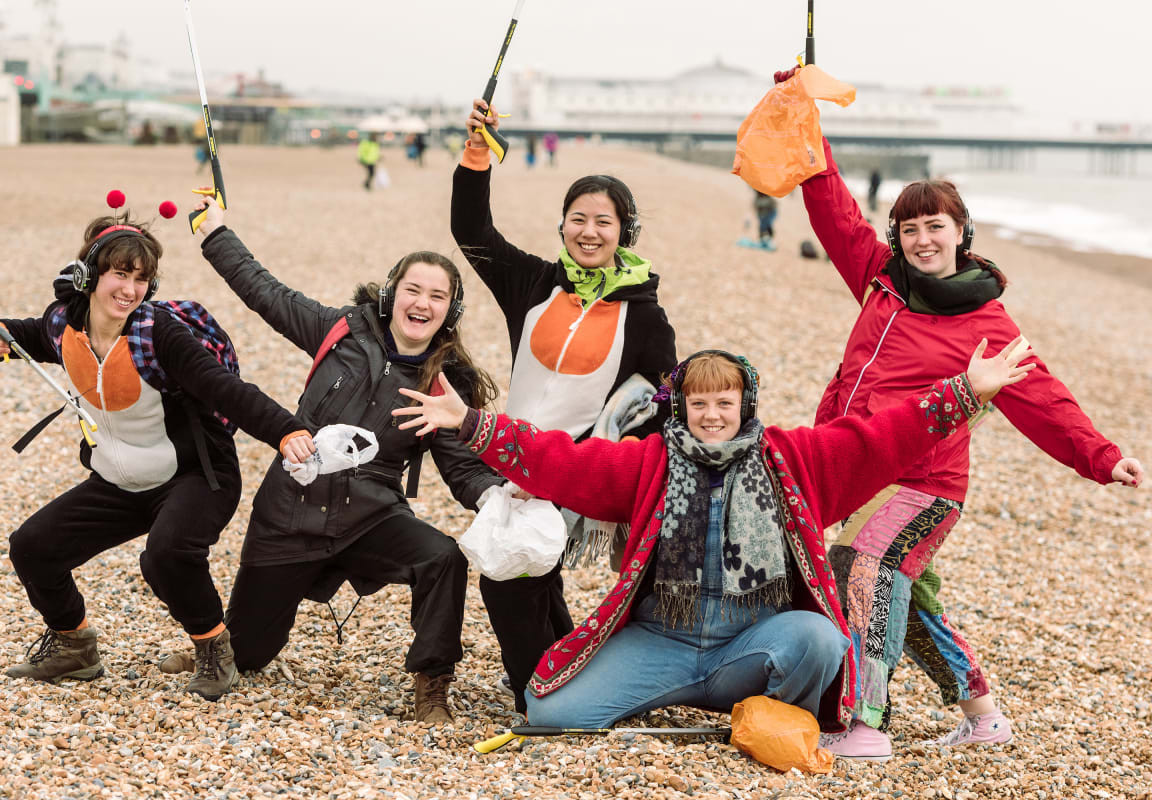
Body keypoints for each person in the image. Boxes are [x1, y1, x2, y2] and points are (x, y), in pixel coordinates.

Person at [781, 64, 1146, 760]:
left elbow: (1045, 400)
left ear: (961, 232)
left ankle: (864, 723)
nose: (922, 239)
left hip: (926, 484)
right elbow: (830, 203)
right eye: (910, 228)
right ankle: (984, 715)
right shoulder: (878, 280)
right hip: (857, 467)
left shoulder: (988, 322)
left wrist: (1102, 456)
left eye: (935, 226)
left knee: (865, 567)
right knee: (907, 600)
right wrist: (803, 115)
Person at [393, 344, 1034, 730]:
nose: (712, 414)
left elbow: (878, 440)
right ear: (683, 410)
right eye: (699, 405)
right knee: (548, 713)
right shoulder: (650, 463)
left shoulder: (795, 459)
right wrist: (473, 423)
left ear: (744, 405)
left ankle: (761, 707)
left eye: (724, 402)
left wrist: (963, 394)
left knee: (817, 638)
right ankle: (710, 702)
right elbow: (565, 460)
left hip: (754, 639)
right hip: (663, 641)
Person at [0, 206, 316, 701]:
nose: (130, 289)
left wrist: (286, 432)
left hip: (195, 477)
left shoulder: (159, 334)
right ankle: (74, 647)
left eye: (142, 279)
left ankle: (214, 651)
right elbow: (24, 333)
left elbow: (225, 389)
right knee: (32, 547)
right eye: (120, 274)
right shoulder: (62, 325)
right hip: (119, 479)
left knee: (166, 556)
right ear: (88, 276)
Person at [190, 197, 505, 724]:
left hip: (371, 517)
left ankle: (432, 687)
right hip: (289, 512)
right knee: (247, 656)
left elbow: (463, 467)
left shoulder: (445, 381)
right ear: (390, 295)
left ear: (451, 310)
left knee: (441, 557)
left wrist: (498, 497)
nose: (422, 303)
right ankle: (216, 644)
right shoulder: (339, 330)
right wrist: (215, 233)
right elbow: (264, 291)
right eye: (412, 290)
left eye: (437, 296)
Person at [453, 99, 678, 716]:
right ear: (562, 226)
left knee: (510, 569)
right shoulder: (532, 283)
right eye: (578, 219)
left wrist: (608, 478)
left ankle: (539, 692)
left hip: (576, 466)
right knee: (532, 572)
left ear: (625, 233)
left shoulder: (646, 317)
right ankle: (563, 673)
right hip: (508, 455)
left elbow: (659, 405)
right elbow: (472, 232)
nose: (589, 232)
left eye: (604, 222)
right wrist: (478, 154)